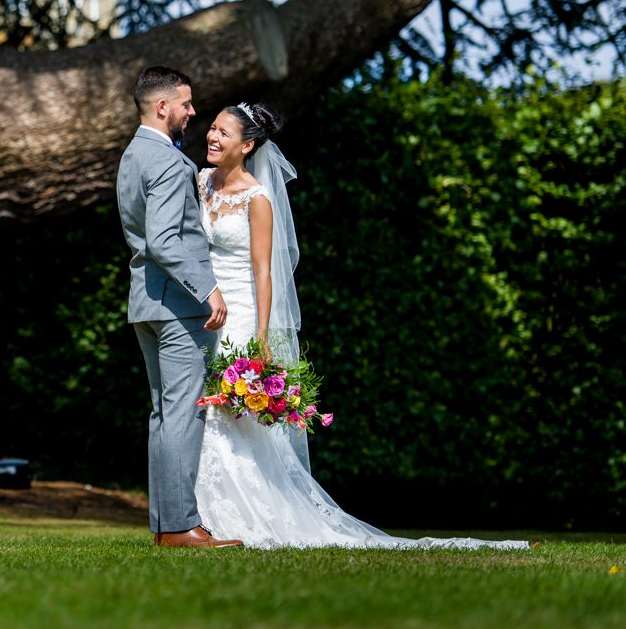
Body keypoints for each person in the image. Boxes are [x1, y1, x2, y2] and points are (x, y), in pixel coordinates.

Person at [192, 102, 530, 550]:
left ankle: (236, 515)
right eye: (211, 128)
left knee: (233, 414)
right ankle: (196, 515)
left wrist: (260, 337)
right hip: (204, 314)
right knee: (200, 408)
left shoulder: (258, 198)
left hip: (243, 312)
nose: (212, 137)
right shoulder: (201, 181)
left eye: (223, 133)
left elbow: (264, 271)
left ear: (247, 145)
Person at [115, 66, 242, 549]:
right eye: (186, 104)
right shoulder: (168, 162)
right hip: (177, 307)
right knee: (182, 414)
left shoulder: (132, 155)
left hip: (147, 304)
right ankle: (179, 527)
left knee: (164, 416)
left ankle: (169, 526)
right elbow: (166, 241)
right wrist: (207, 289)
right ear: (162, 106)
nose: (193, 112)